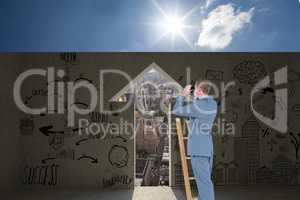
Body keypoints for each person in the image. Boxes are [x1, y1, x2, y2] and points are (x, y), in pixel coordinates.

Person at [172, 80, 217, 200]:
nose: (193, 91)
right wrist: (196, 95)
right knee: (204, 182)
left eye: (195, 88)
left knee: (204, 184)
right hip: (207, 149)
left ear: (200, 90)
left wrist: (182, 94)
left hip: (198, 150)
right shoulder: (212, 103)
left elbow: (176, 110)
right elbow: (197, 107)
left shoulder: (199, 106)